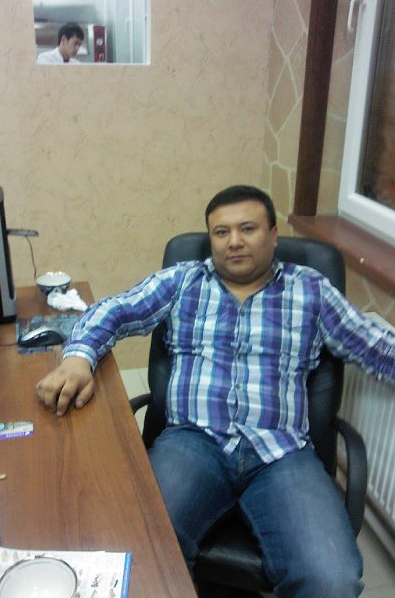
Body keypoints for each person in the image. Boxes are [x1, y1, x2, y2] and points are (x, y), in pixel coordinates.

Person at [36, 185, 395, 597]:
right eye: (221, 232)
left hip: (281, 453)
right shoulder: (183, 281)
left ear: (273, 235)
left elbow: (374, 345)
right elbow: (113, 311)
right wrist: (78, 358)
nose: (234, 241)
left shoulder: (310, 290)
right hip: (193, 443)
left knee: (332, 579)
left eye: (247, 228)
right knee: (133, 546)